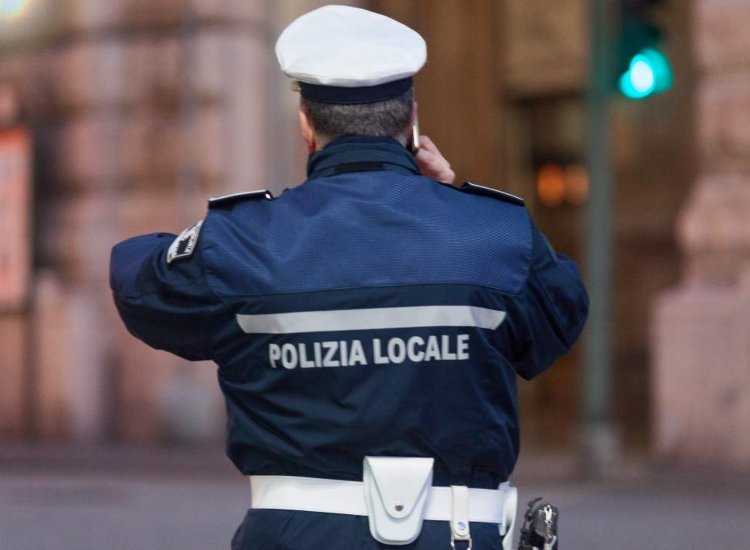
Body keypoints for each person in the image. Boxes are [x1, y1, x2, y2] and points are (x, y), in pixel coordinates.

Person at [110, 5, 588, 549]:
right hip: (457, 536)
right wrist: (451, 203)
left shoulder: (240, 242)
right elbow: (561, 311)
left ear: (306, 125)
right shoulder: (495, 234)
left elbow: (137, 281)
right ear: (413, 121)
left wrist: (234, 233)